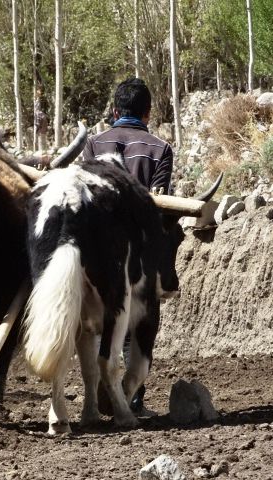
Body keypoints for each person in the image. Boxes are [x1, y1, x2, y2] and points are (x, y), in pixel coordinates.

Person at [83, 77, 174, 416]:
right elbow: (160, 203)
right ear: (148, 113)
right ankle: (131, 398)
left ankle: (99, 396)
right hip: (140, 251)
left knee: (97, 321)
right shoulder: (160, 149)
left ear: (115, 111)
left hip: (96, 249)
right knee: (141, 317)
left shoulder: (93, 144)